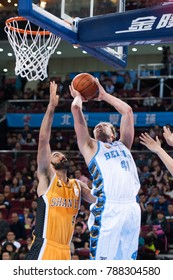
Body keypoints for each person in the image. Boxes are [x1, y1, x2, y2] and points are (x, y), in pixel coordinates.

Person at [70, 78, 141, 260]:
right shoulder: (91, 147)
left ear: (113, 134)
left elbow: (127, 111)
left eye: (105, 125)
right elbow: (76, 110)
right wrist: (78, 97)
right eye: (96, 127)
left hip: (132, 208)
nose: (100, 125)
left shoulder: (123, 145)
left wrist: (103, 95)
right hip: (109, 208)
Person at [25, 81, 95, 260]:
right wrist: (51, 107)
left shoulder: (77, 186)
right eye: (55, 154)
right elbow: (43, 139)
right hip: (44, 246)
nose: (59, 155)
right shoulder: (47, 177)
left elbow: (99, 199)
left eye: (61, 154)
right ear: (49, 161)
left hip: (65, 250)